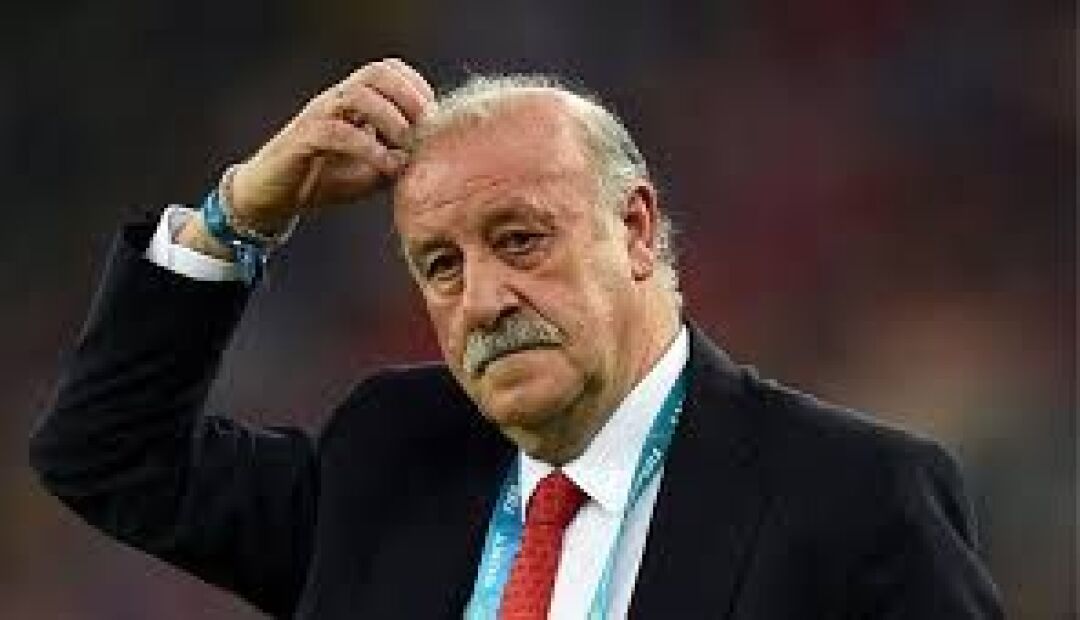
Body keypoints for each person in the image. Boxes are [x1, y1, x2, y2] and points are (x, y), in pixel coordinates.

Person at [30, 58, 1003, 619]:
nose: (485, 299)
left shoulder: (851, 496)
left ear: (634, 228)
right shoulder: (389, 459)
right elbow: (105, 455)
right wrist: (240, 212)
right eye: (441, 265)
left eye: (520, 239)